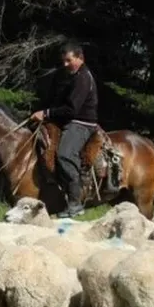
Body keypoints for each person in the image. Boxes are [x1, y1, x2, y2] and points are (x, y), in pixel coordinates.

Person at [29, 40, 99, 218]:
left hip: (81, 123)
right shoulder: (72, 76)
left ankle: (75, 203)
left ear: (80, 58)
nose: (65, 65)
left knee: (65, 155)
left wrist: (45, 113)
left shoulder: (83, 78)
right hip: (68, 120)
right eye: (63, 61)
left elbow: (71, 109)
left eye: (69, 60)